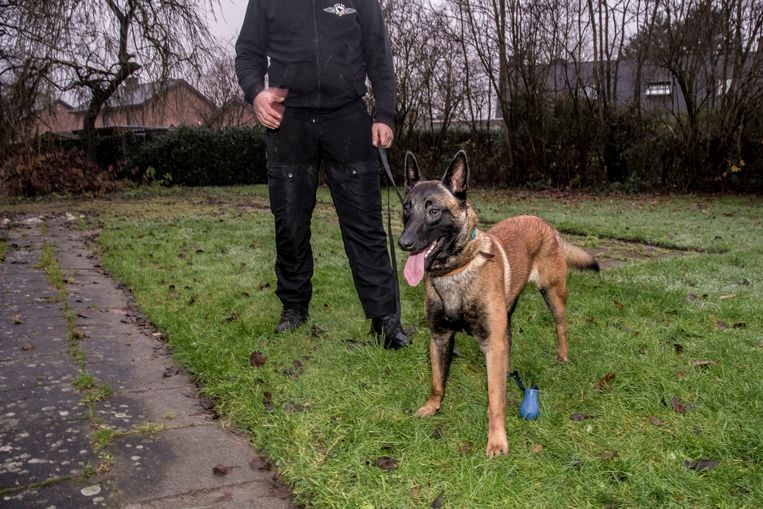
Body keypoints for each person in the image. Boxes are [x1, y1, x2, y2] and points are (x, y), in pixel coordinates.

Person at [235, 0, 409, 348]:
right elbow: (248, 52)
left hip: (347, 117)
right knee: (290, 222)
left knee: (365, 222)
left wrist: (385, 115)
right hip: (288, 121)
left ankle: (385, 319)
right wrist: (256, 94)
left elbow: (378, 53)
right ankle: (294, 308)